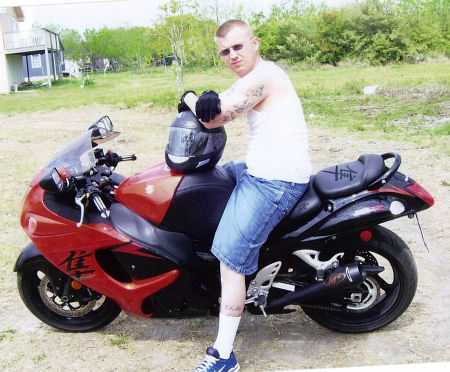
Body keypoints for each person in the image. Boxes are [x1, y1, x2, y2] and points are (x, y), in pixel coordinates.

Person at [178, 20, 312, 372]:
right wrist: (207, 101)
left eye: (238, 47)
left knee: (230, 258)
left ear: (254, 43)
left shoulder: (264, 76)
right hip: (257, 169)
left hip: (274, 182)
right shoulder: (251, 77)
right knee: (206, 184)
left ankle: (224, 356)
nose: (232, 55)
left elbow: (214, 117)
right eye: (225, 51)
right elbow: (219, 106)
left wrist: (191, 97)